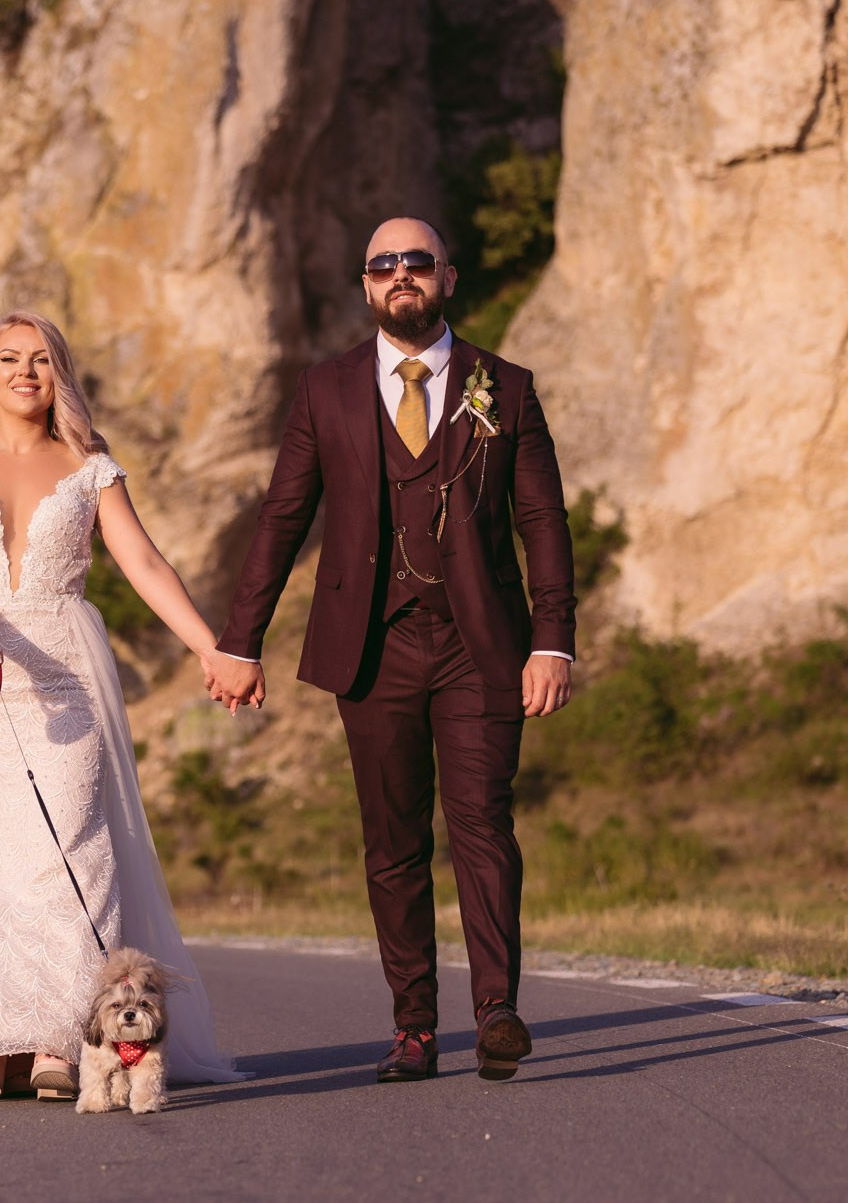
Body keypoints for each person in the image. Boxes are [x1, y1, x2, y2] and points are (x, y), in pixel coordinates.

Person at [205, 216, 577, 1083]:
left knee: (483, 822)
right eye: (382, 265)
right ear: (365, 286)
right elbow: (282, 519)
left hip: (481, 645)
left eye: (416, 261)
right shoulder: (324, 391)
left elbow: (543, 522)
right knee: (394, 840)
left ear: (448, 276)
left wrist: (552, 639)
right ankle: (414, 1025)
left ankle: (496, 1011)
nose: (399, 275)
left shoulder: (506, 387)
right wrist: (240, 640)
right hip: (371, 648)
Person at [0, 310, 243, 1102]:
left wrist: (209, 646)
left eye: (41, 359)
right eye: (10, 359)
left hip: (65, 677)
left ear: (58, 373)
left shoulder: (89, 467)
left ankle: (59, 1038)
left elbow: (141, 559)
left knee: (70, 846)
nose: (26, 371)